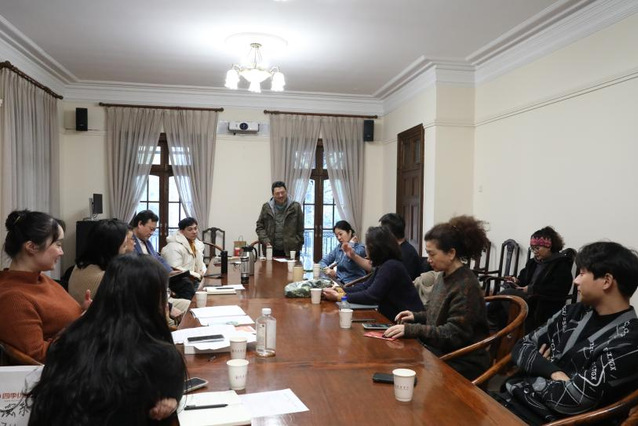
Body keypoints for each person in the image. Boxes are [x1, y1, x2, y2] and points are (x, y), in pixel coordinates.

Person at [29, 254, 187, 425]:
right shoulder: (160, 357)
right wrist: (172, 404)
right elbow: (166, 409)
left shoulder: (68, 340)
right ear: (155, 300)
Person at [495, 242, 638, 425]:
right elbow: (520, 347)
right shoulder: (573, 312)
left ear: (606, 281)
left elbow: (572, 400)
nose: (576, 280)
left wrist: (533, 367)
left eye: (582, 273)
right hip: (511, 402)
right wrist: (553, 372)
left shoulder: (629, 340)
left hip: (550, 421)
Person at [383, 215, 491, 380]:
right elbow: (437, 313)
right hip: (442, 351)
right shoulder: (444, 276)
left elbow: (453, 334)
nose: (428, 260)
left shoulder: (466, 285)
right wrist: (415, 316)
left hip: (461, 361)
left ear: (451, 253)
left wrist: (411, 329)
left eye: (432, 254)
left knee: (400, 365)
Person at [0, 210, 88, 362]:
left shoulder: (41, 280)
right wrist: (80, 326)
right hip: (71, 369)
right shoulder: (13, 298)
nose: (61, 252)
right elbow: (39, 356)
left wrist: (83, 311)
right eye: (58, 244)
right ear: (31, 247)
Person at [322, 226, 424, 321]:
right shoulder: (385, 264)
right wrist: (338, 290)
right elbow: (365, 286)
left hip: (406, 322)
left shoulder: (391, 266)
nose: (366, 248)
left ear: (376, 248)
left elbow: (371, 296)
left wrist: (339, 296)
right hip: (391, 319)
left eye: (367, 246)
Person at [487, 226, 573, 332]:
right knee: (501, 309)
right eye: (533, 249)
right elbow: (523, 280)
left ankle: (492, 326)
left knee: (506, 295)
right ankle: (498, 332)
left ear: (549, 247)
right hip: (527, 298)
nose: (535, 252)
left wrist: (532, 289)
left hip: (543, 303)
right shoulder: (533, 262)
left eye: (538, 248)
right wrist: (516, 280)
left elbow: (559, 290)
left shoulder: (560, 264)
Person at [131, 210, 195, 301]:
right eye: (151, 229)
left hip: (158, 277)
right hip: (145, 280)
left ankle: (188, 306)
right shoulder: (130, 241)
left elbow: (158, 258)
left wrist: (170, 271)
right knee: (185, 285)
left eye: (154, 230)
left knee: (185, 282)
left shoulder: (147, 242)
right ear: (140, 224)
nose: (152, 233)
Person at [343, 212, 431, 279]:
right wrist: (353, 256)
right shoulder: (392, 249)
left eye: (382, 231)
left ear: (390, 234)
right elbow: (374, 267)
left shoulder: (407, 253)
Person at [67, 219, 129, 305]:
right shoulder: (106, 279)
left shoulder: (80, 266)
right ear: (111, 248)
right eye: (124, 245)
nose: (127, 249)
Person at [255, 181, 303, 258]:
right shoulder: (266, 207)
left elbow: (300, 228)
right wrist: (265, 241)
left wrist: (297, 242)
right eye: (277, 193)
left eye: (282, 192)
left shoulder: (296, 207)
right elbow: (260, 227)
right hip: (271, 249)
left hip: (292, 250)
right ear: (273, 194)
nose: (281, 195)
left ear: (286, 192)